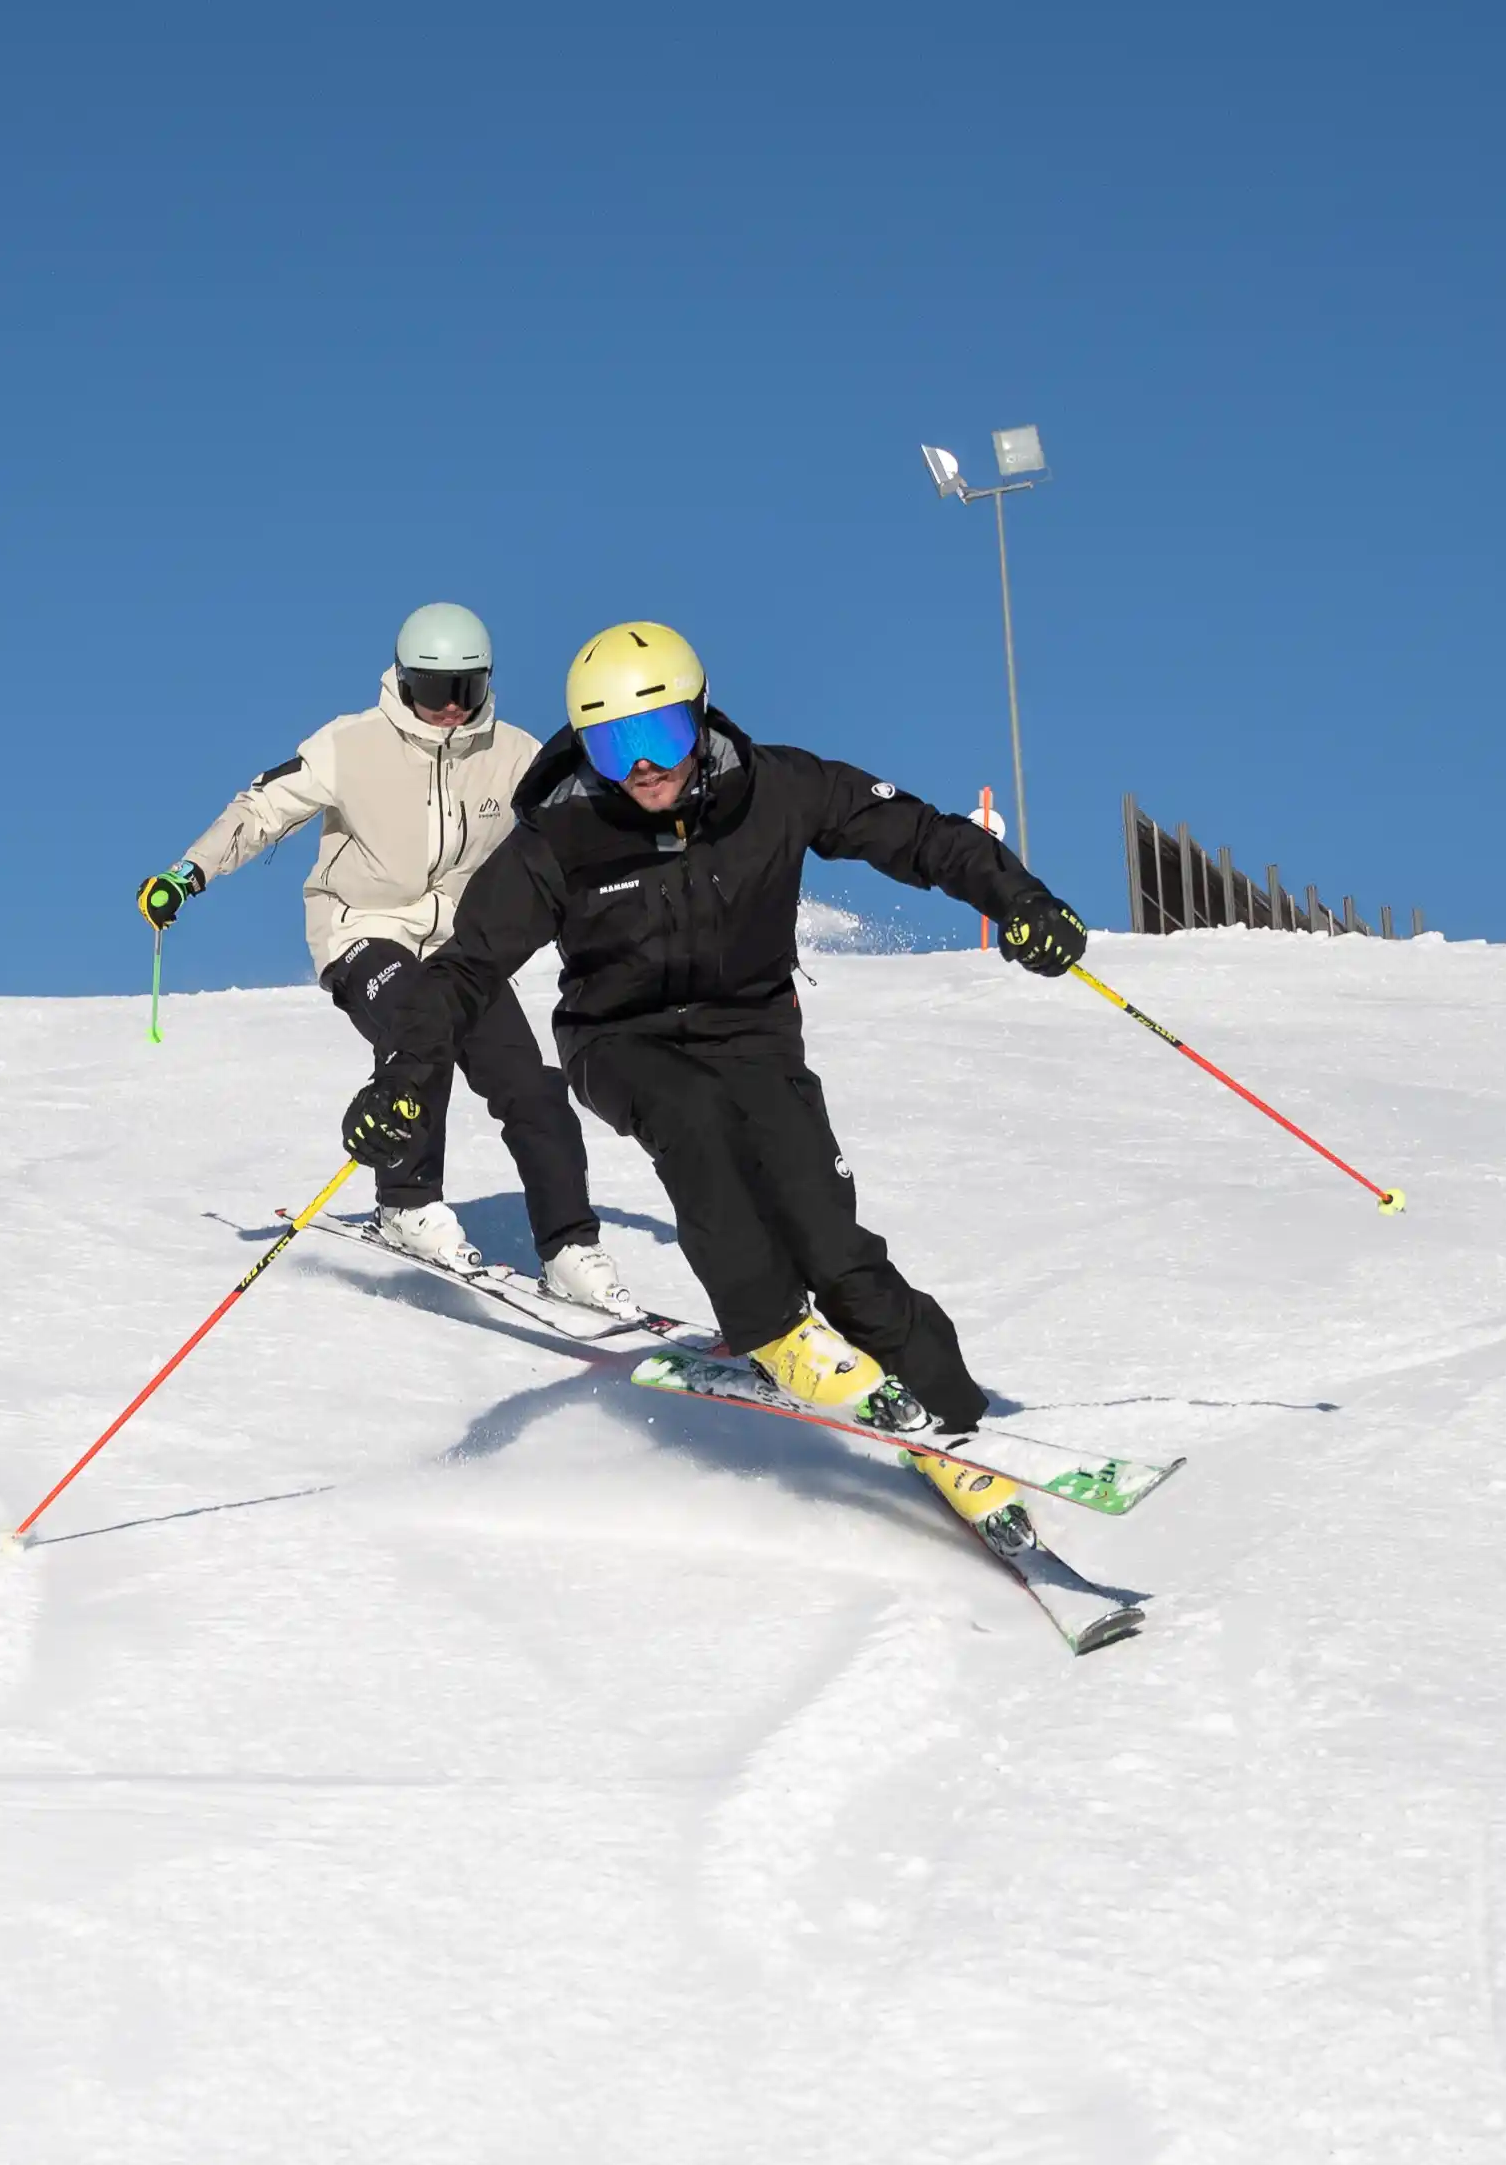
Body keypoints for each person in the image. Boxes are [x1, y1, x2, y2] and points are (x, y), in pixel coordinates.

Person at [339, 620, 1091, 1541]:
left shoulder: (777, 787)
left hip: (755, 1036)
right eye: (616, 745)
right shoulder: (558, 835)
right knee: (692, 1120)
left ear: (700, 718)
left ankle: (960, 1429)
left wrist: (1020, 901)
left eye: (661, 735)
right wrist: (403, 1079)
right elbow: (462, 971)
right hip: (619, 1039)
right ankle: (770, 1326)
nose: (644, 766)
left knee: (835, 1244)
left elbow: (920, 836)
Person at [142, 602, 632, 1312]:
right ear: (403, 683)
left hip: (464, 952)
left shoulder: (516, 756)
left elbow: (589, 829)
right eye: (433, 692)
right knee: (417, 1029)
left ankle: (568, 1246)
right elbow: (261, 809)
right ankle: (405, 1201)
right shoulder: (351, 743)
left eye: (465, 690)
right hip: (362, 930)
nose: (449, 710)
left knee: (531, 1087)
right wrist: (187, 873)